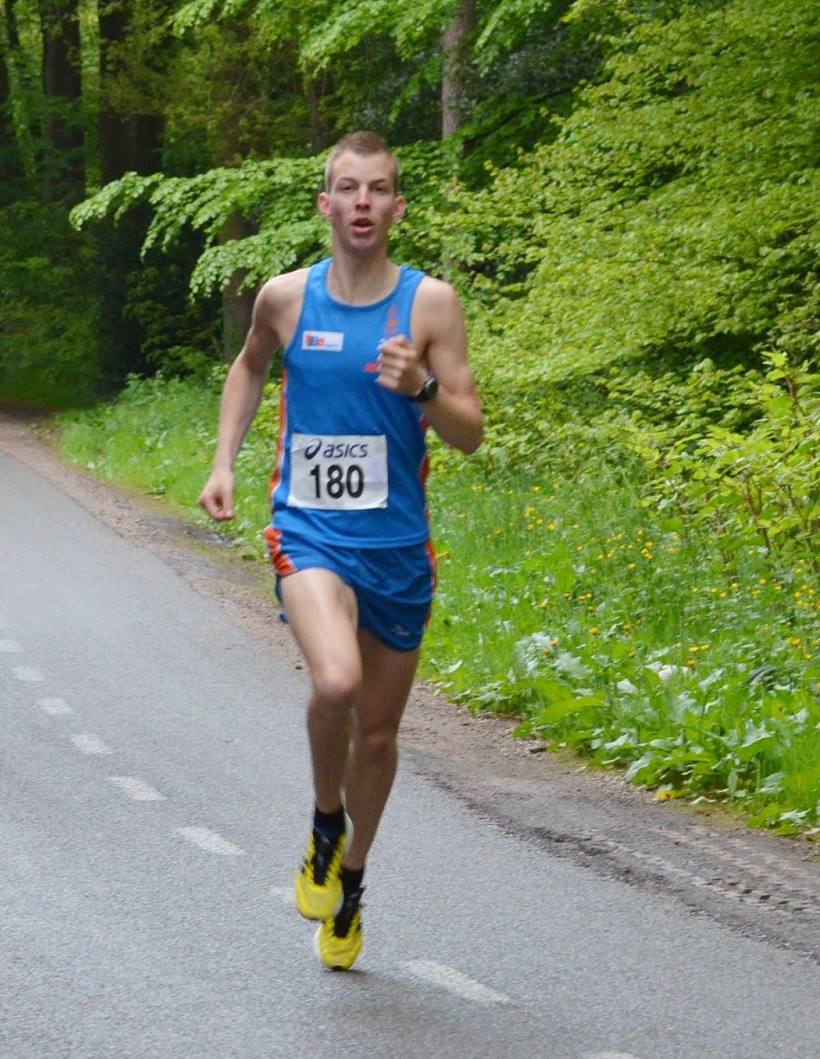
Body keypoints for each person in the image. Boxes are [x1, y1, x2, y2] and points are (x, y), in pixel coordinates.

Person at [196, 132, 483, 972]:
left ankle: (350, 879)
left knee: (382, 738)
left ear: (397, 207)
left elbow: (467, 433)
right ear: (325, 205)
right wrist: (223, 461)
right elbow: (248, 369)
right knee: (337, 683)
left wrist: (422, 390)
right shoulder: (287, 298)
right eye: (348, 189)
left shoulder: (431, 305)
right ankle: (327, 821)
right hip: (309, 529)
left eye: (379, 189)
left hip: (396, 545)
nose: (363, 202)